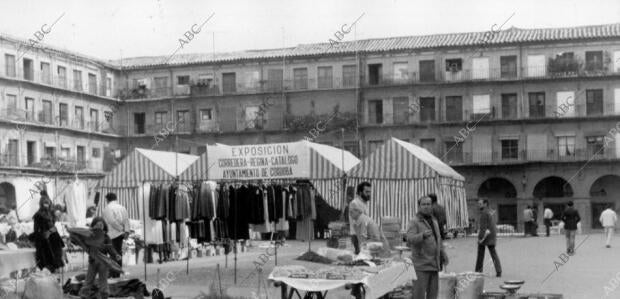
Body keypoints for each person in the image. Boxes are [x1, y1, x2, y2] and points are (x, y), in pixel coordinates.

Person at [406, 196, 448, 299]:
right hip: (421, 265)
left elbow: (438, 238)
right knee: (419, 295)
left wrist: (442, 252)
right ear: (419, 207)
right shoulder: (414, 221)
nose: (426, 207)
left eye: (428, 204)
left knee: (433, 295)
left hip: (434, 264)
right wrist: (422, 236)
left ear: (432, 206)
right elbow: (409, 239)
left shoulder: (434, 220)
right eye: (423, 204)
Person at [79, 217, 122, 299]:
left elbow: (110, 248)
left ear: (104, 226)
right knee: (89, 279)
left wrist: (116, 254)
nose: (99, 226)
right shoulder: (89, 235)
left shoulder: (106, 237)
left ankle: (104, 296)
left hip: (103, 262)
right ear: (93, 226)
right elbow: (84, 244)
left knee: (103, 280)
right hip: (92, 261)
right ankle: (84, 296)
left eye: (101, 225)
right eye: (97, 225)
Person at [32, 192, 65, 272]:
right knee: (46, 262)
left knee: (55, 261)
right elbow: (36, 229)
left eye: (47, 202)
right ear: (41, 203)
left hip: (54, 238)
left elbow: (54, 227)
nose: (46, 204)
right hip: (44, 240)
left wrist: (50, 231)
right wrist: (40, 237)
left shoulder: (51, 213)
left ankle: (53, 278)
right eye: (44, 202)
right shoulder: (38, 215)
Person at [102, 192, 129, 278]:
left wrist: (121, 229)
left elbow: (111, 221)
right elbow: (126, 220)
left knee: (113, 254)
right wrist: (126, 231)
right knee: (118, 253)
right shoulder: (122, 207)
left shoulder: (107, 208)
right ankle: (117, 272)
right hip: (120, 233)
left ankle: (114, 273)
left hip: (112, 234)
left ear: (107, 199)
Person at [474, 199, 502, 277]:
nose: (478, 205)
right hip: (492, 234)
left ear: (485, 204)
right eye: (478, 204)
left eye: (480, 204)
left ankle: (478, 271)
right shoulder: (490, 212)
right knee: (493, 253)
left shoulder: (484, 213)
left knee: (480, 254)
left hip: (486, 235)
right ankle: (499, 270)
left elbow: (483, 227)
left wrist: (480, 238)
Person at [349, 182, 371, 254]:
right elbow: (357, 223)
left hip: (364, 235)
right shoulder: (354, 203)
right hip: (357, 236)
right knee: (360, 257)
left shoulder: (364, 203)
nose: (369, 194)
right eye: (367, 192)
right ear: (360, 192)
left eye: (370, 192)